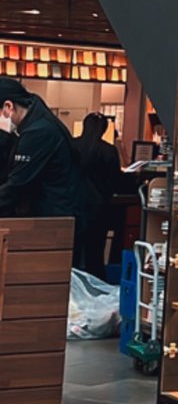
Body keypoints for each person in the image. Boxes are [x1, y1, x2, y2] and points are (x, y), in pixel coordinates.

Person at [0, 77, 90, 264]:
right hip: (55, 215)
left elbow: (18, 185)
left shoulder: (38, 132)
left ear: (8, 107)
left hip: (55, 220)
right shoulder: (38, 120)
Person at [74, 113, 124, 277]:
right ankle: (95, 286)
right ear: (104, 130)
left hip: (74, 205)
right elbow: (115, 181)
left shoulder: (72, 146)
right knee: (95, 253)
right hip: (99, 207)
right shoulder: (108, 151)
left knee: (73, 252)